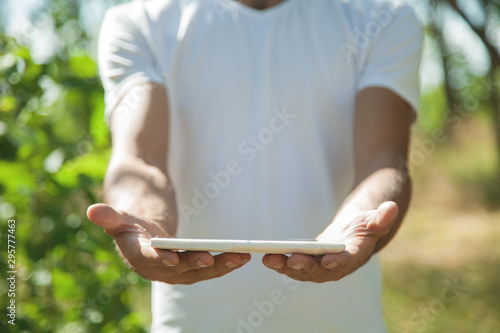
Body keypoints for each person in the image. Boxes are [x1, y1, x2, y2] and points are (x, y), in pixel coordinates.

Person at [87, 0, 423, 331]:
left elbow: (384, 160)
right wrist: (143, 219)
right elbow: (138, 159)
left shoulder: (382, 17)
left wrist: (362, 222)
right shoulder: (140, 22)